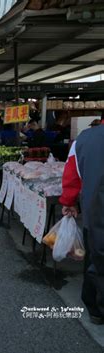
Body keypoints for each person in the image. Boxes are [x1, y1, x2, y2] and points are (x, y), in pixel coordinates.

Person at [60, 116, 104, 325]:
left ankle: (96, 309)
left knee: (96, 260)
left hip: (96, 214)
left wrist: (69, 202)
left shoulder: (84, 140)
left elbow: (71, 177)